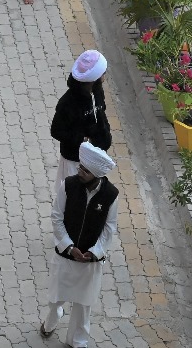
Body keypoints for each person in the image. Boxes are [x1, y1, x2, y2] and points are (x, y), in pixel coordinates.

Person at [40, 143, 119, 348]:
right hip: (65, 257)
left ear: (96, 174)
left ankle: (78, 342)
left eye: (84, 169)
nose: (79, 171)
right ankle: (51, 322)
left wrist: (94, 252)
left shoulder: (111, 195)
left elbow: (109, 228)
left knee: (84, 306)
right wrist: (68, 246)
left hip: (90, 262)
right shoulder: (68, 185)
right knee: (56, 299)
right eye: (80, 167)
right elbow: (57, 217)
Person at [49, 51, 111, 183]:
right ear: (94, 78)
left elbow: (101, 112)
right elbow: (56, 131)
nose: (105, 75)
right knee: (73, 195)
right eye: (103, 73)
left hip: (96, 155)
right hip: (74, 160)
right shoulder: (67, 103)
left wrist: (105, 133)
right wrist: (82, 140)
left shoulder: (98, 91)